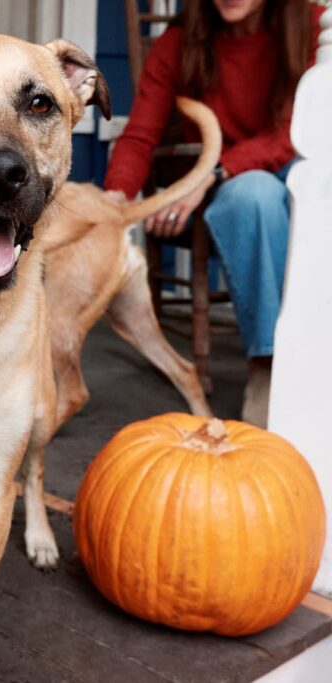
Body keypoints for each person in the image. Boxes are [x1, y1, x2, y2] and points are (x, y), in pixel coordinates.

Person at [104, 0, 324, 427]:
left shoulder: (316, 26)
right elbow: (140, 134)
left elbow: (300, 129)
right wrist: (115, 201)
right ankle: (268, 365)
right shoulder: (180, 42)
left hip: (291, 169)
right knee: (253, 195)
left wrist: (215, 171)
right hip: (232, 192)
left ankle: (316, 358)